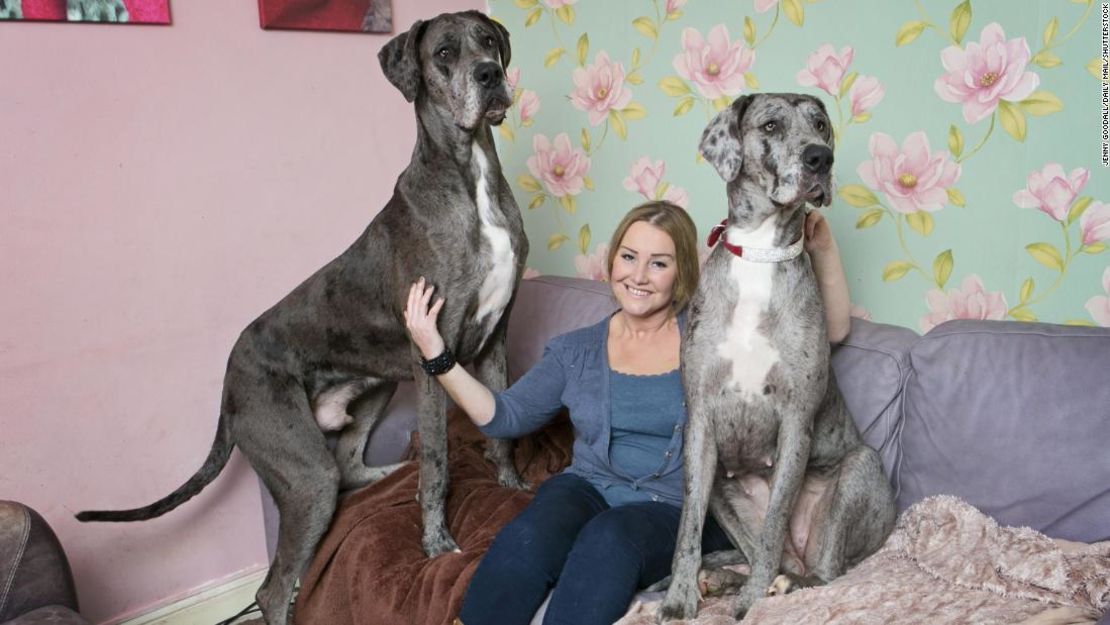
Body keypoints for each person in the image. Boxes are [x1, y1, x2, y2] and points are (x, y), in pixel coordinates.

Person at [403, 201, 851, 625]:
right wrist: (436, 352)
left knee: (609, 538)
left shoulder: (714, 339)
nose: (639, 275)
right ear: (612, 262)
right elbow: (504, 416)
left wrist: (824, 250)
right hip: (588, 486)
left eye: (659, 263)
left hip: (676, 506)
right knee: (532, 533)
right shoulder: (574, 351)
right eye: (629, 256)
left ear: (681, 274)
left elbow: (827, 332)